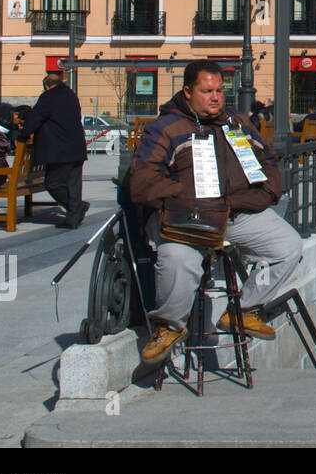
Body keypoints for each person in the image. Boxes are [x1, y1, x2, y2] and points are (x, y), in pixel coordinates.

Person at [128, 60, 303, 366]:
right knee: (178, 261)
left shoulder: (237, 123)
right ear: (187, 91)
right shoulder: (166, 128)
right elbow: (143, 181)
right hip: (185, 220)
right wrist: (185, 199)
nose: (216, 97)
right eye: (207, 90)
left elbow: (269, 164)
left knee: (287, 247)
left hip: (233, 214)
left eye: (220, 90)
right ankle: (168, 326)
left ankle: (244, 310)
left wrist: (260, 196)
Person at [18, 73, 89, 229]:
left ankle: (77, 208)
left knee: (53, 183)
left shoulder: (48, 97)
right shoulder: (71, 95)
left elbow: (35, 117)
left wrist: (23, 135)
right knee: (74, 184)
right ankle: (73, 217)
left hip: (59, 149)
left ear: (47, 86)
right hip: (77, 146)